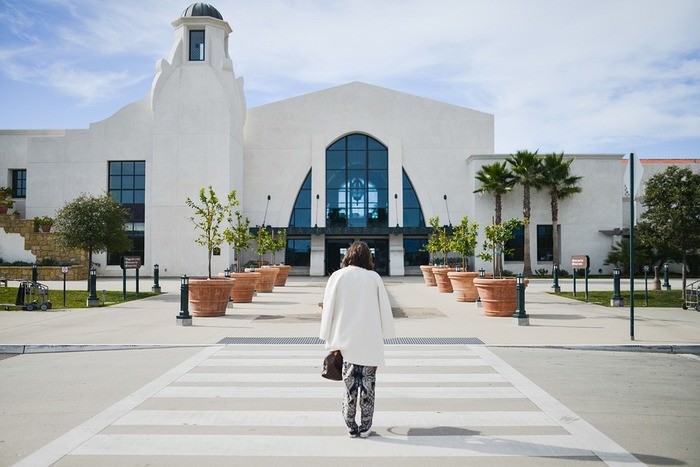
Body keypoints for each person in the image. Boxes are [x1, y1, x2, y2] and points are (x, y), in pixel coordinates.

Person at [320, 241, 396, 438]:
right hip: (370, 340)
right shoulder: (374, 278)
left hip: (346, 342)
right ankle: (365, 426)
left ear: (348, 256)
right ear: (367, 258)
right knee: (368, 386)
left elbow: (329, 308)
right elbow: (384, 309)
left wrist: (327, 336)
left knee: (350, 385)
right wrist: (387, 333)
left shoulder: (337, 276)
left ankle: (351, 425)